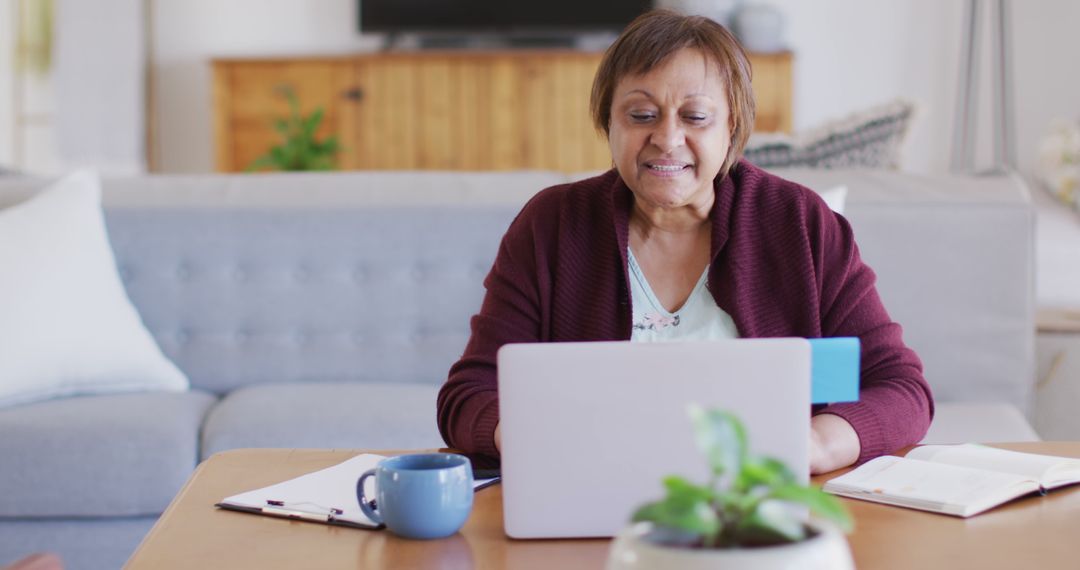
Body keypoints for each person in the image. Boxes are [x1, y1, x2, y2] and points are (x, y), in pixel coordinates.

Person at [437, 9, 933, 474]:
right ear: (607, 122)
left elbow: (902, 387)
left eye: (695, 117)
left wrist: (816, 444)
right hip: (594, 492)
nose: (667, 139)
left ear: (731, 126)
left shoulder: (802, 223)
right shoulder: (551, 224)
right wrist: (538, 438)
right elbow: (469, 394)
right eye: (641, 115)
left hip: (759, 505)